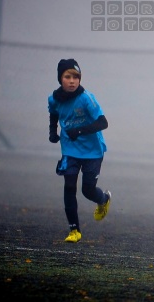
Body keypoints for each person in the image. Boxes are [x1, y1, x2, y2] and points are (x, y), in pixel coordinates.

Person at [48, 59, 111, 243]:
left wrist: (80, 130)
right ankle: (74, 230)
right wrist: (53, 132)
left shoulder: (86, 98)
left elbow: (103, 123)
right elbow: (53, 114)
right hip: (70, 150)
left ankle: (103, 199)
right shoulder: (53, 99)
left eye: (76, 77)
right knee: (69, 186)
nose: (72, 81)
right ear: (60, 78)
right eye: (68, 77)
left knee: (87, 190)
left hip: (93, 151)